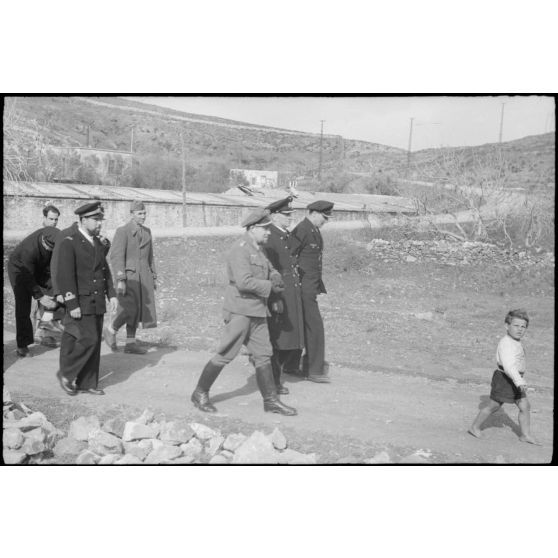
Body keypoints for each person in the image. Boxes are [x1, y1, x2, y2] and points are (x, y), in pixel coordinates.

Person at [191, 208, 297, 416]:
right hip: (240, 310)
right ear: (253, 228)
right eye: (265, 229)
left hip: (258, 311)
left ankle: (270, 401)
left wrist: (274, 275)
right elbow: (244, 282)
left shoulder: (258, 249)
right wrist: (270, 287)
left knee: (263, 355)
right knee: (225, 354)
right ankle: (200, 392)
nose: (268, 233)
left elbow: (268, 268)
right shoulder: (240, 249)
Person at [55, 201, 117, 396]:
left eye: (100, 220)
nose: (99, 223)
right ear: (83, 220)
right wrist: (71, 302)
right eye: (95, 220)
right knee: (88, 338)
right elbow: (65, 275)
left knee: (95, 340)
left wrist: (112, 294)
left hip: (97, 300)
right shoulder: (69, 242)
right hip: (80, 301)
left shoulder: (98, 242)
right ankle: (66, 373)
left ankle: (87, 383)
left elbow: (104, 271)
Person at [468, 309, 541, 445]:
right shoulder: (506, 343)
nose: (519, 329)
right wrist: (519, 380)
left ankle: (525, 435)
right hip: (505, 379)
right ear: (507, 326)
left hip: (515, 378)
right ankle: (474, 427)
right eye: (516, 325)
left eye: (523, 326)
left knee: (525, 406)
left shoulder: (515, 341)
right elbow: (508, 366)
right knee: (494, 405)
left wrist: (519, 379)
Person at [288, 200, 334, 383]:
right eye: (324, 217)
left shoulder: (313, 230)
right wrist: (295, 283)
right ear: (314, 213)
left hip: (309, 287)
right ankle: (314, 370)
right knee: (314, 328)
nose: (326, 221)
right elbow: (288, 256)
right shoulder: (302, 230)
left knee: (301, 327)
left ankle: (292, 365)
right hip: (302, 288)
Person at [262, 196, 304, 394]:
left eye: (290, 215)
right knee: (278, 338)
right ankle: (273, 380)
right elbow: (268, 270)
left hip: (291, 290)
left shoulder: (283, 235)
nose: (289, 218)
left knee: (290, 336)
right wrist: (274, 297)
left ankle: (276, 374)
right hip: (279, 291)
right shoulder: (269, 236)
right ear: (274, 216)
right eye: (286, 215)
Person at [104, 201, 157, 354]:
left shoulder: (147, 232)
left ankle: (130, 343)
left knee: (138, 310)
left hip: (144, 277)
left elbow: (150, 256)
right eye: (140, 213)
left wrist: (153, 276)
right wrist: (120, 279)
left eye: (144, 213)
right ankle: (111, 329)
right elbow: (116, 256)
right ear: (132, 214)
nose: (143, 216)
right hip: (129, 276)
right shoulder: (123, 231)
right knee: (129, 309)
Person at [8, 226, 59, 357]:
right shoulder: (28, 250)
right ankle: (22, 345)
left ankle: (44, 328)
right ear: (43, 241)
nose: (49, 250)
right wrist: (40, 296)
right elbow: (28, 277)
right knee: (23, 304)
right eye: (48, 248)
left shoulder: (56, 236)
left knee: (56, 289)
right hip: (19, 270)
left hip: (40, 266)